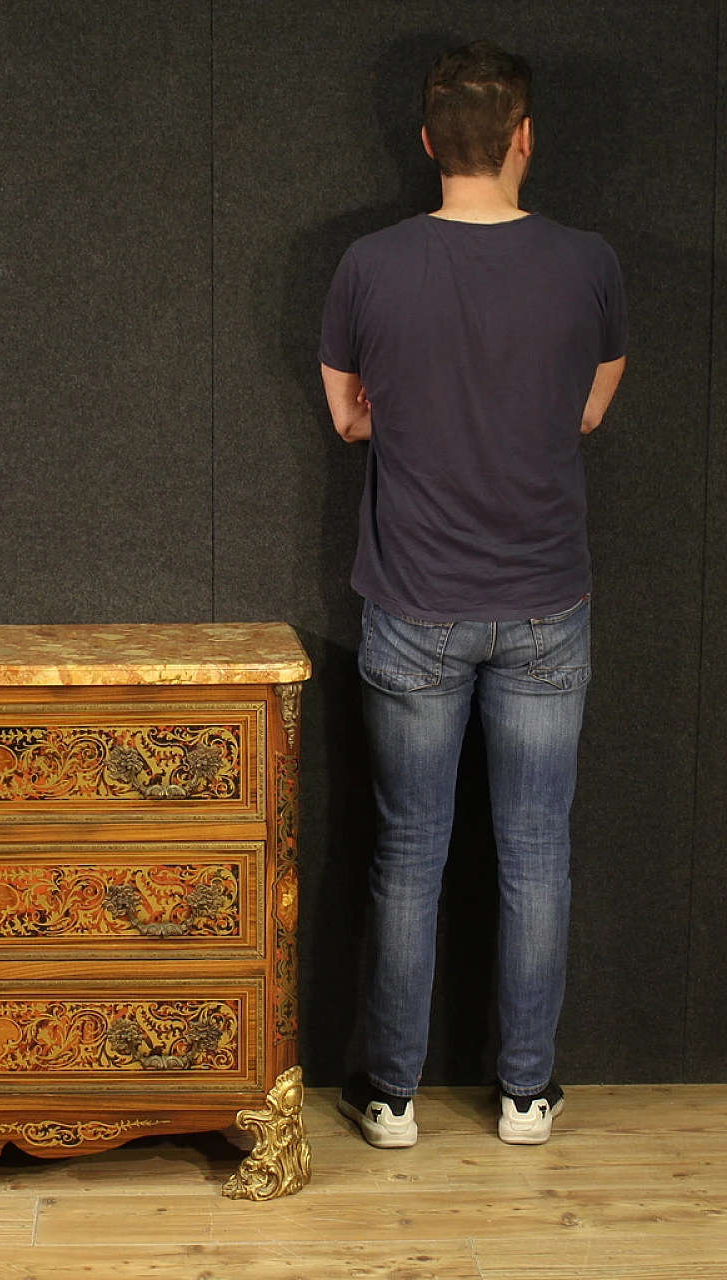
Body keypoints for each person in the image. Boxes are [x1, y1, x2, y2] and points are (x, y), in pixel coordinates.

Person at [319, 41, 626, 1148]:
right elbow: (589, 409)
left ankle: (391, 1095)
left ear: (424, 143)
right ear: (521, 139)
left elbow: (347, 417)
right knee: (535, 849)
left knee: (408, 847)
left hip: (412, 604)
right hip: (547, 601)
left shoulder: (367, 265)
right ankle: (526, 1093)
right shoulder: (587, 261)